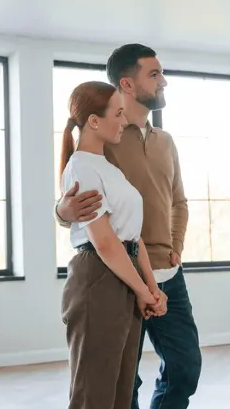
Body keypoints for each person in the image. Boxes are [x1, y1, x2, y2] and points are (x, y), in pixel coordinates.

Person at [55, 44, 202, 409]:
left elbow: (179, 202)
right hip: (120, 272)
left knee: (185, 368)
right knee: (121, 380)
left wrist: (175, 246)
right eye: (154, 74)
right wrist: (63, 210)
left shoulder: (165, 142)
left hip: (165, 271)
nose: (164, 80)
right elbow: (75, 204)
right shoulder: (106, 141)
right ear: (128, 83)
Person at [58, 80, 168, 409]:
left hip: (124, 272)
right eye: (118, 114)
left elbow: (133, 237)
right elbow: (105, 242)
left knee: (120, 391)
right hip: (99, 277)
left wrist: (150, 286)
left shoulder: (109, 168)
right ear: (94, 121)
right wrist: (142, 290)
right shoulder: (81, 168)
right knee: (95, 393)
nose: (124, 121)